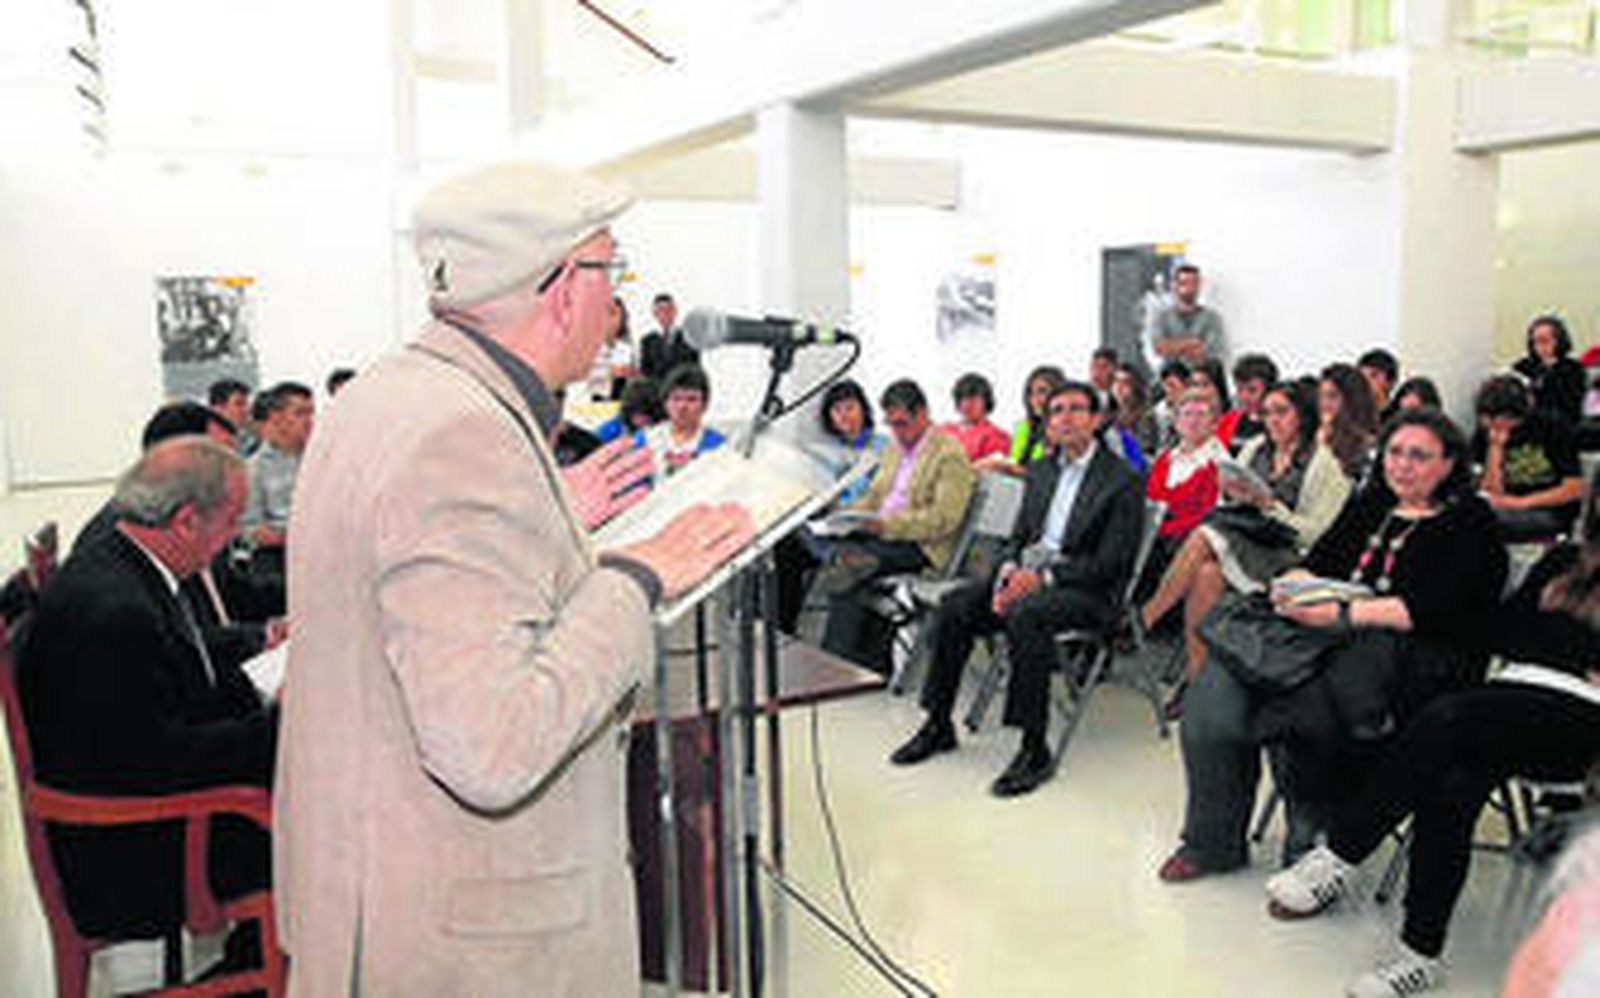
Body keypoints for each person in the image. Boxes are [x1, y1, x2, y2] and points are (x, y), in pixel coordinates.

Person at [274, 161, 754, 997]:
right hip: (468, 938)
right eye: (613, 271)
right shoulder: (462, 438)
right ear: (564, 285)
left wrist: (559, 528)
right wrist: (637, 576)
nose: (617, 304)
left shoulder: (389, 394)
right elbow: (489, 746)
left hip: (375, 888)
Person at [1264, 474, 1600, 998]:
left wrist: (1559, 649)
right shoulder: (1564, 562)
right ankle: (1420, 955)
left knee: (1447, 718)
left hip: (1583, 723)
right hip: (1514, 695)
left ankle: (1343, 851)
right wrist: (1576, 655)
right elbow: (1504, 630)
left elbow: (1529, 637)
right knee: (1452, 785)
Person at [1158, 408, 1506, 885]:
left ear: (1449, 465)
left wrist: (1342, 614)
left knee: (1305, 706)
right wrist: (1294, 586)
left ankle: (1317, 848)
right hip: (1326, 636)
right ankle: (1212, 841)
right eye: (1396, 453)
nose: (1402, 465)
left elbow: (1439, 610)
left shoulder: (1472, 521)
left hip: (1415, 657)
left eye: (1419, 456)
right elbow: (1318, 562)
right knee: (1213, 696)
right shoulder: (1372, 503)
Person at [18, 437, 276, 966]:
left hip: (134, 825)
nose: (234, 539)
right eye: (230, 523)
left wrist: (260, 642)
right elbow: (159, 761)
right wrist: (283, 726)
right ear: (186, 521)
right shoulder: (114, 613)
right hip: (132, 858)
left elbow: (177, 656)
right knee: (318, 822)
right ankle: (256, 970)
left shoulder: (119, 561)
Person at [887, 381, 1143, 797]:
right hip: (1028, 575)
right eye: (1056, 409)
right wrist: (1007, 570)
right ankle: (937, 723)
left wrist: (1042, 579)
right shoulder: (1041, 471)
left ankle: (1033, 746)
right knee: (956, 605)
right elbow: (1019, 537)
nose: (1064, 417)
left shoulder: (1121, 479)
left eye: (1076, 409)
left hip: (1087, 590)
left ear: (1096, 420)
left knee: (1028, 615)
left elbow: (1113, 562)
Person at [1140, 381, 1350, 709]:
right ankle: (1196, 681)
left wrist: (1268, 506)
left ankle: (1147, 617)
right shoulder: (1255, 448)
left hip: (1291, 555)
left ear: (1303, 416)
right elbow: (1226, 502)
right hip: (1246, 539)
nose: (1272, 421)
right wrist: (1236, 494)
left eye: (1282, 412)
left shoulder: (1326, 464)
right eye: (1267, 413)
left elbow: (1315, 534)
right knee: (1206, 573)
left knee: (1205, 535)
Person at [818, 379, 975, 671]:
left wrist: (886, 525)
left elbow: (943, 519)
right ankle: (865, 661)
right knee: (843, 556)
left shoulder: (949, 455)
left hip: (921, 546)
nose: (898, 433)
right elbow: (874, 495)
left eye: (902, 423)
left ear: (923, 414)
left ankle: (838, 662)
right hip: (885, 536)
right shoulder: (894, 449)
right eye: (891, 424)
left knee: (849, 564)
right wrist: (846, 515)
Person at [773, 378, 887, 635]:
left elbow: (880, 492)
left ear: (863, 409)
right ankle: (783, 630)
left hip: (864, 521)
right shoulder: (829, 451)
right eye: (837, 410)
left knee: (797, 538)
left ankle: (834, 556)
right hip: (831, 525)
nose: (844, 415)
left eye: (849, 407)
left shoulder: (883, 446)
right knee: (786, 541)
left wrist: (842, 504)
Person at [1472, 373, 1584, 541]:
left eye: (1501, 418)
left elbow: (1574, 488)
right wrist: (1495, 448)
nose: (1493, 424)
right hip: (1504, 508)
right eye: (1487, 418)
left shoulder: (1553, 427)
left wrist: (1520, 502)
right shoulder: (1486, 433)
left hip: (1547, 510)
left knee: (1485, 523)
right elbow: (1491, 491)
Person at [1145, 388, 1227, 549]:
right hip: (1154, 538)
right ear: (1176, 423)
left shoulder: (1219, 463)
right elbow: (1150, 502)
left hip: (1190, 544)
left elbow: (1211, 517)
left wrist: (1162, 530)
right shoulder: (1164, 460)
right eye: (1187, 414)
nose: (1193, 421)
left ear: (1214, 423)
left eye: (1201, 415)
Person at [240, 381, 314, 551]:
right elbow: (250, 529)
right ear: (276, 417)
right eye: (300, 413)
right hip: (278, 558)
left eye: (311, 413)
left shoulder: (319, 460)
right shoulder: (254, 469)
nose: (308, 421)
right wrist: (298, 538)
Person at [635, 364, 725, 477]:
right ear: (665, 403)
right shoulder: (645, 440)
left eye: (691, 399)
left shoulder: (717, 446)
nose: (682, 406)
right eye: (676, 399)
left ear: (704, 405)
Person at [978, 365, 1067, 477]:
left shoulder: (1066, 430)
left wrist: (1005, 467)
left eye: (1042, 391)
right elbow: (1015, 462)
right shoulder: (1023, 428)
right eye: (1031, 393)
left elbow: (1050, 475)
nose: (1035, 399)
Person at [1514, 315, 1586, 424]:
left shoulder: (1573, 369)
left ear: (1559, 340)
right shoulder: (1523, 366)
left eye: (1545, 341)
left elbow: (1571, 407)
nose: (1540, 346)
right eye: (1535, 342)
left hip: (1560, 424)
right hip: (1528, 421)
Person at [1148, 263, 1226, 365]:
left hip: (1203, 376)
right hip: (1171, 377)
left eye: (1193, 283)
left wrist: (1174, 346)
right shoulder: (1162, 317)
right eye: (1184, 283)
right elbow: (1160, 348)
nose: (1189, 288)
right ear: (1175, 286)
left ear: (1199, 286)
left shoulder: (1212, 318)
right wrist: (1194, 343)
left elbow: (1210, 352)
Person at [1318, 362, 1380, 481]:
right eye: (1321, 396)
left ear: (1352, 400)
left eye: (1332, 396)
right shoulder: (1318, 437)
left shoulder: (1369, 448)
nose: (1324, 404)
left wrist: (1324, 450)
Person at [939, 371, 1011, 463]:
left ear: (986, 401)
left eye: (973, 398)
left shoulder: (996, 436)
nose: (966, 404)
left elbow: (991, 470)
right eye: (962, 398)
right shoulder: (944, 430)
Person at [1107, 362, 1160, 474]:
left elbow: (1146, 454)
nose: (1119, 387)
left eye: (1125, 382)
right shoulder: (1109, 416)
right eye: (1116, 381)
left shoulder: (1146, 416)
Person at [638, 291, 699, 380]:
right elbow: (645, 372)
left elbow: (695, 369)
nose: (666, 313)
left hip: (682, 389)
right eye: (661, 309)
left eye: (669, 309)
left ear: (675, 311)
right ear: (655, 314)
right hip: (657, 390)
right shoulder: (647, 342)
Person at [1227, 353, 1279, 448]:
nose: (1244, 397)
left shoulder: (1277, 426)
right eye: (1239, 389)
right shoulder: (1231, 422)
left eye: (1252, 390)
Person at [595, 375, 665, 443]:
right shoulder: (611, 428)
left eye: (648, 415)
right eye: (638, 414)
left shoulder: (663, 427)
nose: (643, 420)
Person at [1188, 358, 1237, 448]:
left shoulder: (1235, 422)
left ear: (1218, 387)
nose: (1199, 392)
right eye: (1195, 385)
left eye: (1205, 384)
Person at [1152, 357, 1192, 447]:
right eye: (1165, 385)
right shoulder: (1159, 411)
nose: (1168, 390)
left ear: (1186, 385)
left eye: (1172, 385)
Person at [209, 377, 254, 450]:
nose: (247, 409)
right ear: (218, 408)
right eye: (239, 404)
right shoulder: (209, 441)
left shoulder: (244, 438)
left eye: (247, 404)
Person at [1358, 348, 1400, 414]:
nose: (1366, 381)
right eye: (1361, 376)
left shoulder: (1400, 416)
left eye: (1373, 376)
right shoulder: (1353, 414)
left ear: (1390, 382)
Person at [1088, 346, 1119, 411]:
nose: (1097, 372)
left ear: (1115, 370)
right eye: (1094, 366)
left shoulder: (1121, 399)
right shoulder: (1081, 397)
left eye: (1103, 367)